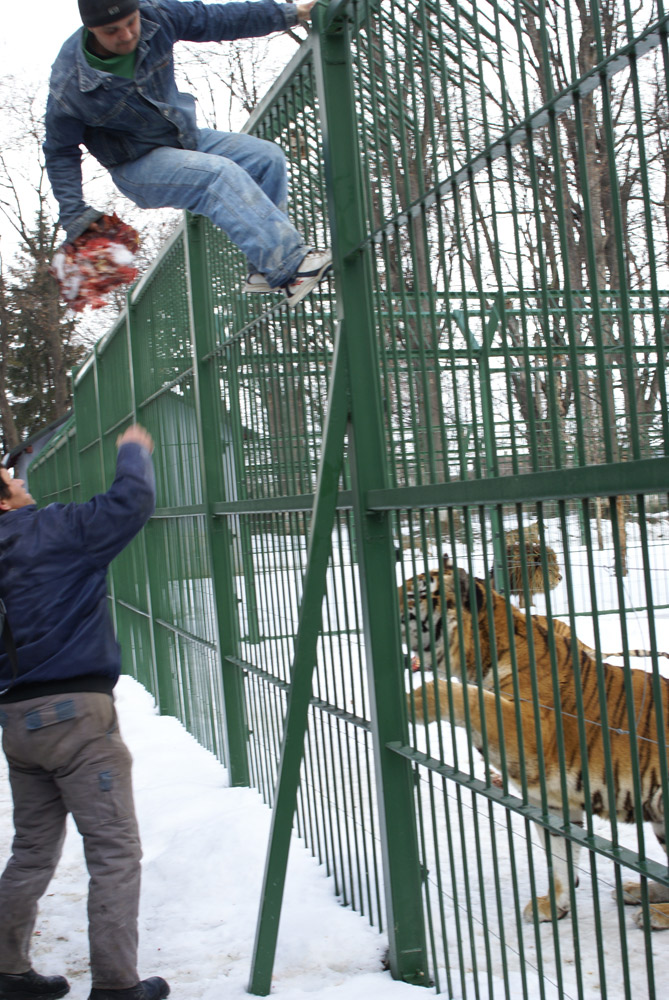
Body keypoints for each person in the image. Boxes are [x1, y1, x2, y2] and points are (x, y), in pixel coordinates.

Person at [0, 426, 167, 1000]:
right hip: (78, 722)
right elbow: (131, 503)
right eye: (9, 478)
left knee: (31, 851)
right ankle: (119, 987)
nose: (19, 478)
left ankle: (7, 973)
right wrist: (133, 449)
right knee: (114, 850)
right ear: (3, 501)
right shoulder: (56, 531)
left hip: (17, 726)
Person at [44, 0, 332, 307]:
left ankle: (263, 269)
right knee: (217, 176)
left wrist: (291, 13)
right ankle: (288, 266)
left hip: (183, 137)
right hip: (137, 167)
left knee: (265, 158)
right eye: (112, 31)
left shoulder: (157, 16)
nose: (127, 35)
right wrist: (74, 215)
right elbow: (60, 151)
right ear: (91, 30)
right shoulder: (71, 84)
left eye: (131, 22)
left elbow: (217, 19)